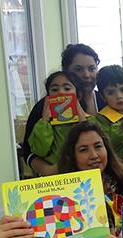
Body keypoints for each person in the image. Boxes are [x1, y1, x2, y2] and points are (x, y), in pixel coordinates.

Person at [24, 44, 105, 177]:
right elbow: (29, 150)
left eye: (92, 68)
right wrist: (47, 170)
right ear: (66, 70)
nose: (86, 75)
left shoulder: (106, 99)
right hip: (59, 179)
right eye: (78, 69)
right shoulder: (45, 107)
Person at [27, 71, 90, 171]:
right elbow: (39, 151)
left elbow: (92, 146)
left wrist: (83, 122)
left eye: (67, 88)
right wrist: (44, 122)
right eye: (54, 89)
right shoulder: (43, 124)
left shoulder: (89, 120)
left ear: (78, 95)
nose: (60, 92)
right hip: (57, 177)